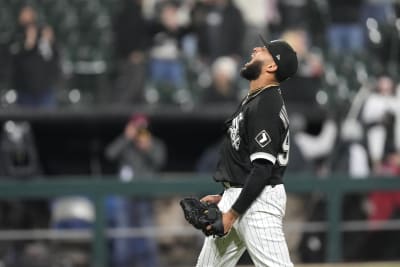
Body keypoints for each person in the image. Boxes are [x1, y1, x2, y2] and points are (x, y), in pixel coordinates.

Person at [196, 36, 297, 266]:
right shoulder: (255, 99)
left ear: (272, 66)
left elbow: (262, 169)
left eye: (264, 49)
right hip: (242, 195)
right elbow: (246, 162)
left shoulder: (267, 103)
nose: (255, 48)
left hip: (258, 202)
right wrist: (227, 196)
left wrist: (231, 213)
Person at [104, 114, 167, 267]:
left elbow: (160, 160)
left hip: (145, 197)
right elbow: (109, 154)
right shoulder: (126, 144)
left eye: (142, 128)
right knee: (123, 235)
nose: (139, 131)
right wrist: (126, 137)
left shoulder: (154, 143)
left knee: (147, 235)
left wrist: (148, 147)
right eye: (137, 128)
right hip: (125, 197)